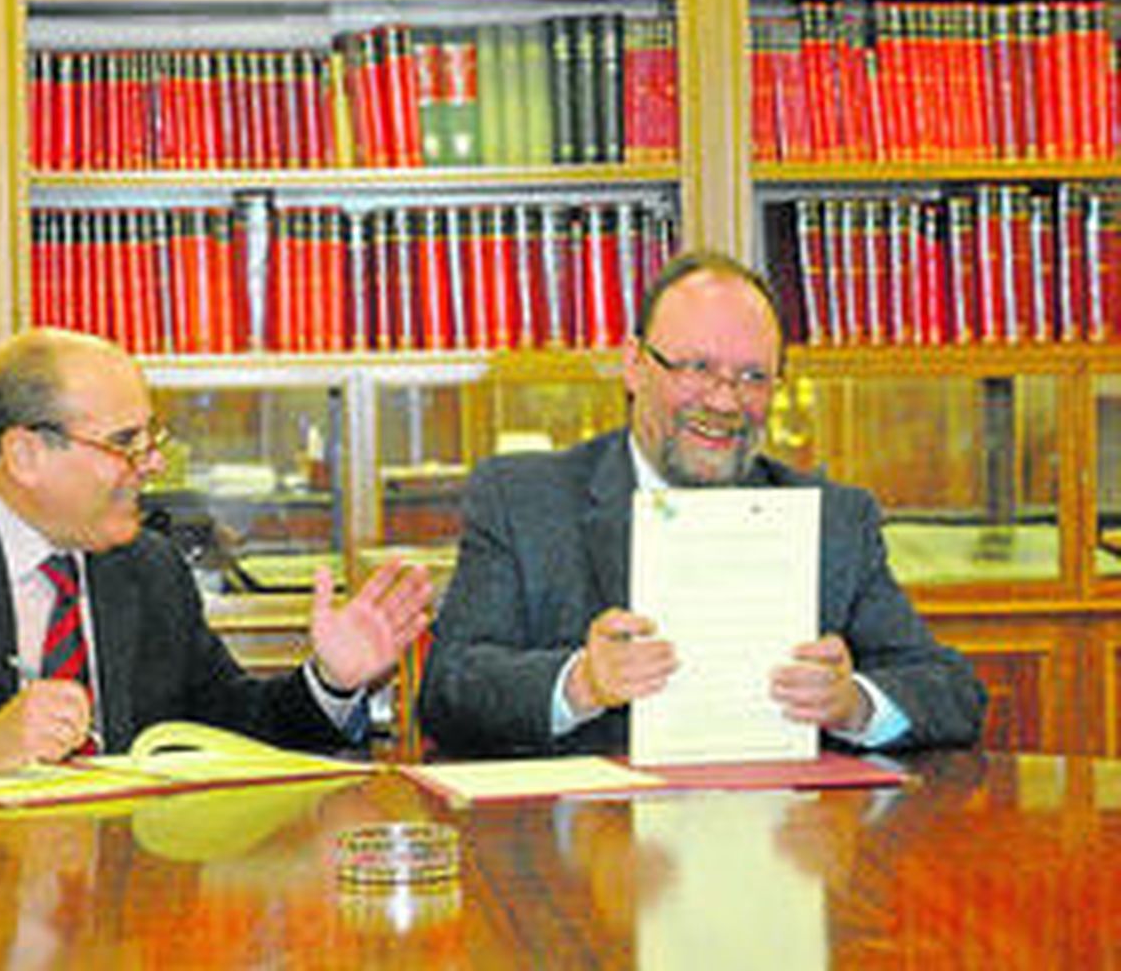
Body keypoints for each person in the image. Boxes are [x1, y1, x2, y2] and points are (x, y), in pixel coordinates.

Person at [0, 328, 435, 772]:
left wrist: (331, 682)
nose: (152, 466)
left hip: (130, 901)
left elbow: (233, 730)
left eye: (150, 440)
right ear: (25, 454)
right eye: (124, 443)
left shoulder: (149, 567)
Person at [418, 249, 986, 757]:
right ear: (634, 364)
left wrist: (853, 705)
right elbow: (449, 691)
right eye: (698, 369)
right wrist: (581, 683)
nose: (725, 401)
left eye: (753, 377)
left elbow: (952, 692)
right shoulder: (523, 501)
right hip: (592, 834)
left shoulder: (833, 520)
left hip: (778, 828)